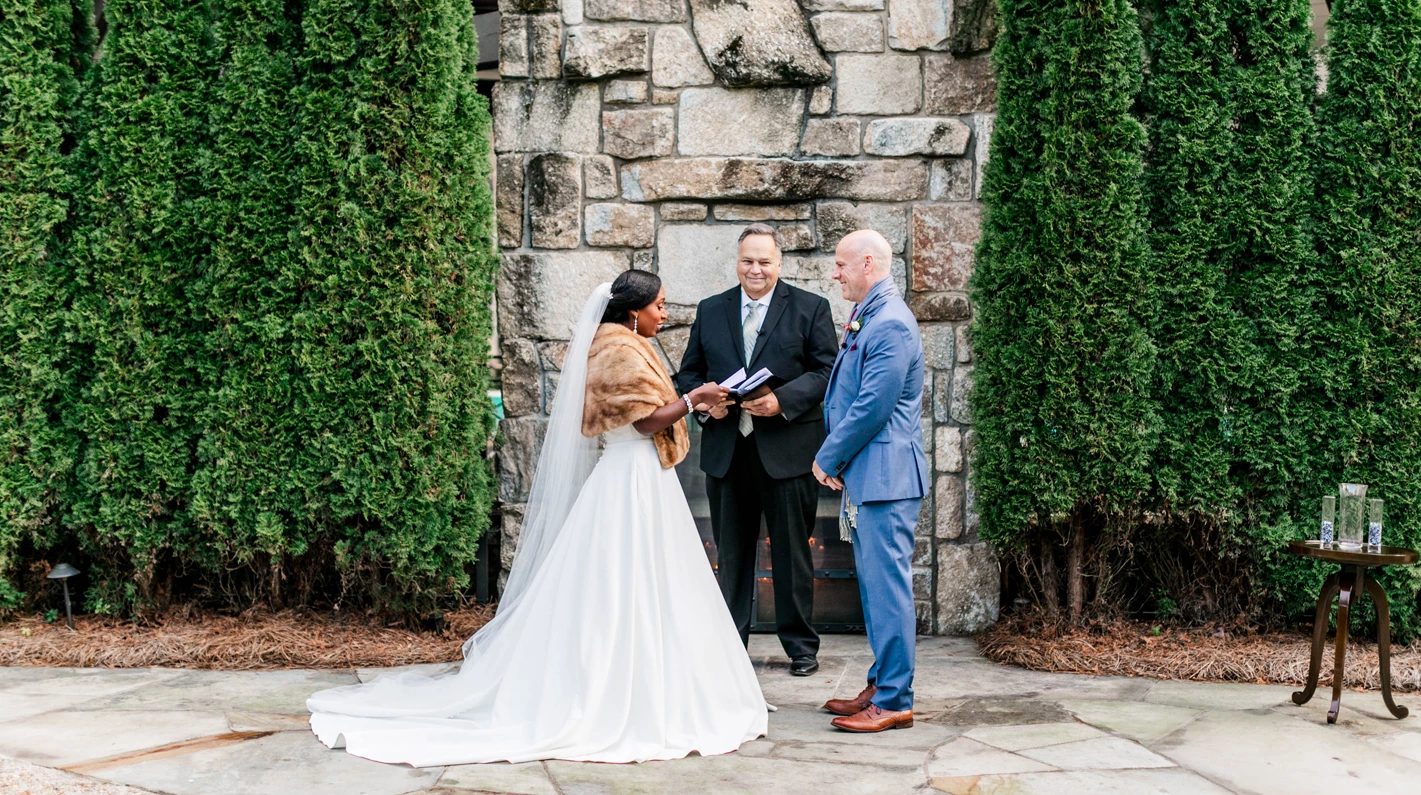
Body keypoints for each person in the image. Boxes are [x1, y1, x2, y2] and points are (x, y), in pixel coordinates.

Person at [307, 270, 768, 765]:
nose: (664, 314)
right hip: (628, 480)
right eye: (658, 305)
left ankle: (660, 683)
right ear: (633, 310)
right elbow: (641, 421)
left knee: (652, 582)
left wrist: (695, 403)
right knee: (622, 583)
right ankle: (615, 695)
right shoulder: (616, 348)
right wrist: (692, 400)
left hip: (644, 477)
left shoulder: (623, 342)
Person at [674, 223, 839, 677]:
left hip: (786, 451)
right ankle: (730, 647)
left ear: (779, 264)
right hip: (728, 453)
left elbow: (828, 371)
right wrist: (707, 405)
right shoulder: (711, 310)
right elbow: (688, 375)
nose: (756, 269)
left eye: (765, 261)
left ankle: (801, 648)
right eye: (748, 260)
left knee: (792, 554)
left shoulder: (810, 307)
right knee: (731, 555)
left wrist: (781, 400)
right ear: (737, 261)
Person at [814, 229, 929, 733]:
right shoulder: (875, 315)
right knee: (876, 591)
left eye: (841, 264)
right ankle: (881, 683)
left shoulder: (892, 325)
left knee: (888, 591)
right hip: (871, 476)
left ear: (867, 262)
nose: (835, 273)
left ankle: (896, 699)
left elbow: (872, 408)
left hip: (886, 477)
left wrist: (828, 458)